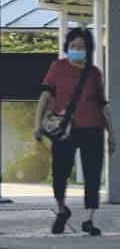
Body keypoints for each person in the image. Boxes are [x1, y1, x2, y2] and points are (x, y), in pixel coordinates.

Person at [34, 27, 116, 236]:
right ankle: (62, 209)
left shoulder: (94, 73)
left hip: (93, 129)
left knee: (92, 175)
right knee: (60, 173)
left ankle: (89, 219)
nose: (77, 50)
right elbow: (44, 97)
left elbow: (102, 105)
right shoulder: (57, 68)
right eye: (73, 46)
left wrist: (112, 134)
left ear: (88, 50)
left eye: (81, 47)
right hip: (65, 131)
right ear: (67, 47)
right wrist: (37, 125)